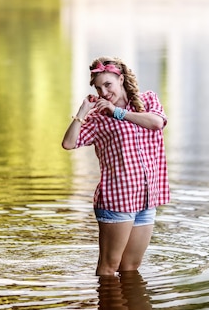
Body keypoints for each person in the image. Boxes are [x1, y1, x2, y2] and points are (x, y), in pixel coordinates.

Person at [62, 56, 170, 276]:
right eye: (98, 87)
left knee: (130, 268)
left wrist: (117, 112)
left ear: (120, 79)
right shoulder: (98, 118)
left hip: (146, 199)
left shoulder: (148, 101)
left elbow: (157, 123)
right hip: (117, 201)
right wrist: (83, 111)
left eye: (108, 84)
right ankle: (110, 308)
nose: (103, 92)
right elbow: (68, 143)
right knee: (109, 267)